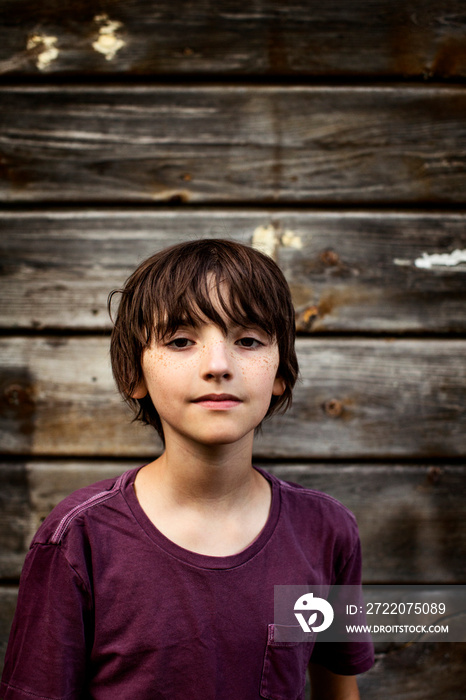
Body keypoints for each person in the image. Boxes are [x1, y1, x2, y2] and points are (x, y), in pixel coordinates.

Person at [1, 239, 374, 699]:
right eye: (180, 341)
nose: (218, 365)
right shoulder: (78, 541)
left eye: (248, 340)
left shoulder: (327, 530)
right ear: (134, 375)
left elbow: (339, 687)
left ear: (280, 371)